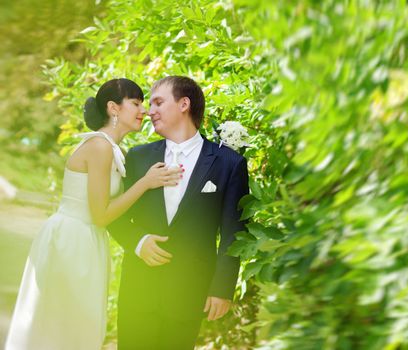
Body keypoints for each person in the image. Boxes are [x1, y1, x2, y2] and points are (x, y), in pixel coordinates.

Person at [5, 78, 182, 350]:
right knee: (63, 326)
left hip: (86, 239)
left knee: (77, 325)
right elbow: (101, 215)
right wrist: (145, 183)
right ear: (113, 108)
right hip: (72, 240)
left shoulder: (111, 149)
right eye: (135, 103)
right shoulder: (100, 147)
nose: (143, 111)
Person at [108, 76, 249, 349]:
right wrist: (138, 242)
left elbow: (235, 233)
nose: (150, 111)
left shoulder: (229, 163)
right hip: (139, 288)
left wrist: (222, 288)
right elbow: (115, 214)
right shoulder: (137, 156)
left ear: (184, 104)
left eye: (158, 102)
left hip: (189, 291)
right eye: (149, 104)